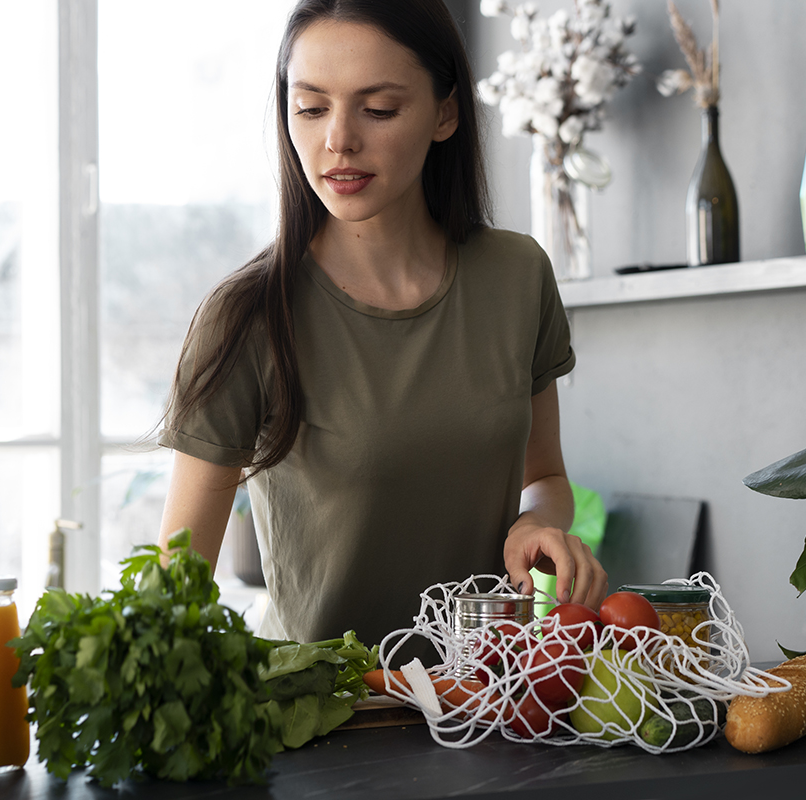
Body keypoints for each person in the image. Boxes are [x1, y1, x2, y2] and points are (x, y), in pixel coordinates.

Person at [157, 0, 606, 651]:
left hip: (487, 704)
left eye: (379, 109)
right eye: (310, 107)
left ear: (445, 113)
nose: (338, 138)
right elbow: (175, 590)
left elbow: (547, 479)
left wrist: (533, 526)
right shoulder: (245, 316)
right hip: (317, 720)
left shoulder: (516, 276)